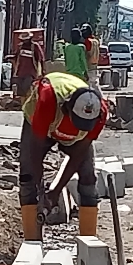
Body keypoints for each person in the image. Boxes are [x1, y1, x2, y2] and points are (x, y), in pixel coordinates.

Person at [19, 72, 108, 241]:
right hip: (39, 122)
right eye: (77, 122)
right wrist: (41, 193)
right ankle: (32, 242)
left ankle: (89, 243)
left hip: (70, 136)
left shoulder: (100, 112)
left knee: (88, 177)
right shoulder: (47, 101)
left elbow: (77, 157)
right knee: (27, 176)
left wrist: (56, 191)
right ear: (67, 109)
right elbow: (35, 154)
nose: (79, 128)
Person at [12, 32, 45, 98]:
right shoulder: (20, 46)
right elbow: (16, 57)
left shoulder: (34, 46)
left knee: (28, 90)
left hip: (31, 73)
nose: (24, 41)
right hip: (20, 73)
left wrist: (41, 71)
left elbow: (40, 59)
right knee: (20, 92)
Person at [81, 23, 101, 89]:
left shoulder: (88, 41)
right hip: (95, 65)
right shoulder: (96, 41)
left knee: (88, 85)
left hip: (88, 66)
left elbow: (86, 54)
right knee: (94, 85)